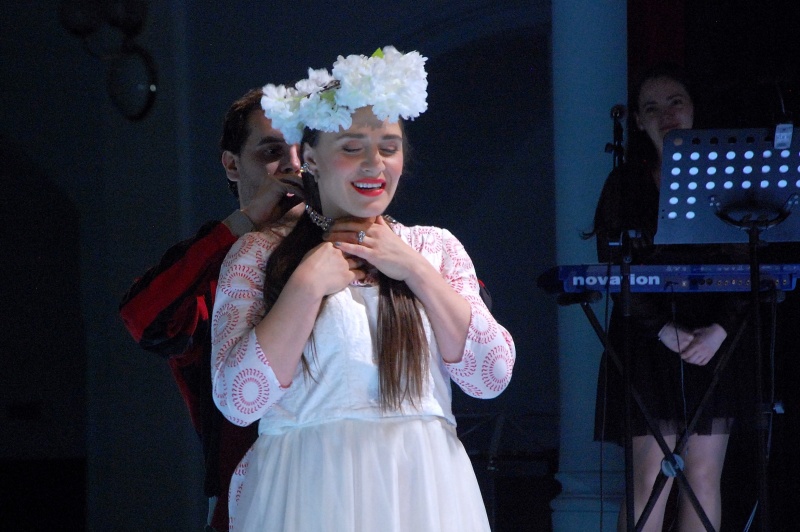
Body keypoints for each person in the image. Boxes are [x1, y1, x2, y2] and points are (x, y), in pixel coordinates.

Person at [211, 46, 516, 531]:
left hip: (423, 492)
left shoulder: (434, 248)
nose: (374, 164)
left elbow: (491, 375)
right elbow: (237, 400)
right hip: (309, 493)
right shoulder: (260, 255)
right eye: (352, 148)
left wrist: (415, 270)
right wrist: (306, 285)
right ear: (311, 158)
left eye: (388, 148)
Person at [119, 88, 304, 532]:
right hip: (248, 503)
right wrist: (243, 224)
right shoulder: (211, 268)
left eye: (305, 151)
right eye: (272, 152)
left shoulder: (355, 251)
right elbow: (143, 319)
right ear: (232, 165)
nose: (294, 166)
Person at [589, 64, 751, 531]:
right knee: (650, 478)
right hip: (647, 340)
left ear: (694, 108)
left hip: (713, 341)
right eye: (652, 108)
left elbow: (749, 268)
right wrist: (662, 330)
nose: (666, 115)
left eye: (675, 102)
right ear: (639, 122)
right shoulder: (625, 185)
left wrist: (719, 331)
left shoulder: (729, 180)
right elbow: (615, 270)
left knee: (703, 479)